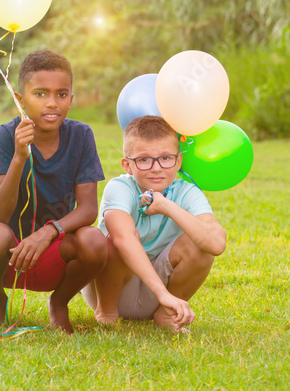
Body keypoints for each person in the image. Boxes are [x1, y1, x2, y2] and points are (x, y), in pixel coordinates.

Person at [0, 50, 107, 333]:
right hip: (10, 254)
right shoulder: (7, 135)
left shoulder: (81, 136)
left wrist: (47, 232)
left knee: (94, 240)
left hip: (54, 251)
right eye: (41, 94)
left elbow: (88, 210)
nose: (52, 103)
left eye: (61, 94)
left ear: (71, 98)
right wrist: (19, 157)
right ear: (20, 100)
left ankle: (59, 303)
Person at [82, 115, 227, 332]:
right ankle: (107, 313)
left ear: (178, 161)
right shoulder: (120, 187)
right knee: (114, 240)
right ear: (127, 165)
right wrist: (162, 294)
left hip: (161, 293)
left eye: (166, 158)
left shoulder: (187, 192)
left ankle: (167, 315)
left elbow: (216, 244)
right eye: (144, 159)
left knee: (201, 242)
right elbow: (122, 239)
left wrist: (166, 206)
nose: (156, 168)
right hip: (109, 287)